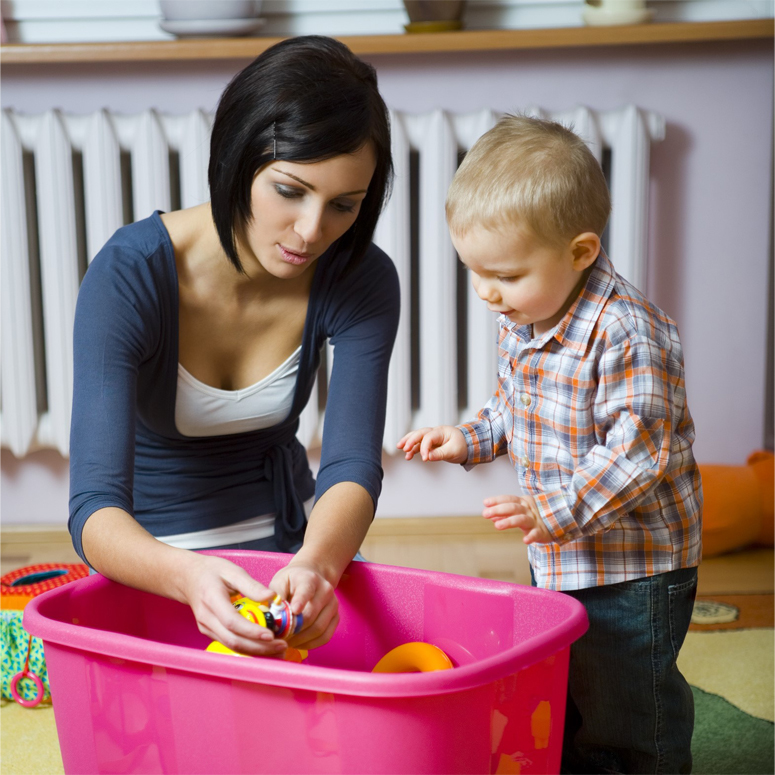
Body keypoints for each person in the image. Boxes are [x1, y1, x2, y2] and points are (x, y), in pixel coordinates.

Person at [69, 36, 399, 659]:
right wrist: (189, 578)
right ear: (237, 158)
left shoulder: (360, 274)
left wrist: (319, 568)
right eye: (290, 190)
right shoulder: (129, 275)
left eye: (343, 205)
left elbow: (353, 465)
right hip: (158, 564)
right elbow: (93, 510)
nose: (312, 231)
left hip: (294, 547)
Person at [397, 115, 702, 774]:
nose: (485, 291)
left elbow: (636, 454)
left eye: (502, 273)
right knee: (567, 682)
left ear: (580, 251)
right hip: (561, 553)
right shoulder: (528, 314)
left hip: (634, 565)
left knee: (629, 698)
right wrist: (467, 436)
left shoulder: (627, 333)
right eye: (473, 271)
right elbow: (516, 407)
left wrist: (552, 510)